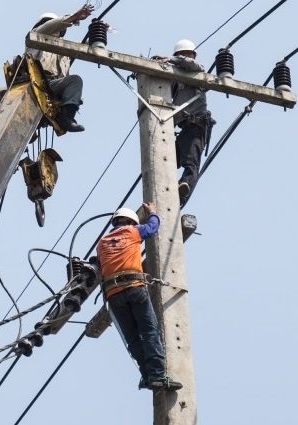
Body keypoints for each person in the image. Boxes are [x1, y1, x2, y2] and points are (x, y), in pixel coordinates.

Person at [96, 204, 183, 391]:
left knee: (134, 339)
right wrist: (152, 212)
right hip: (134, 288)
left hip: (113, 295)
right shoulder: (132, 231)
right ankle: (158, 375)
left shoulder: (102, 243)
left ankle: (147, 375)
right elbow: (152, 227)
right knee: (150, 332)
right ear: (130, 222)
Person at [0, 4, 94, 133]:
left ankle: (66, 118)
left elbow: (85, 47)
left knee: (75, 81)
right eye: (48, 23)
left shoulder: (65, 48)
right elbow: (50, 26)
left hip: (53, 87)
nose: (52, 26)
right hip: (34, 83)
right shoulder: (36, 35)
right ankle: (13, 126)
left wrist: (98, 32)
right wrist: (73, 17)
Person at [155, 39, 215, 206]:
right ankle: (166, 191)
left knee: (191, 164)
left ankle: (184, 188)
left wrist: (169, 59)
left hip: (196, 127)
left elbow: (189, 64)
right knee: (164, 159)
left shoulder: (197, 71)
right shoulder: (175, 79)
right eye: (180, 54)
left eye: (186, 54)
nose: (184, 57)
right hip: (183, 130)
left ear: (193, 55)